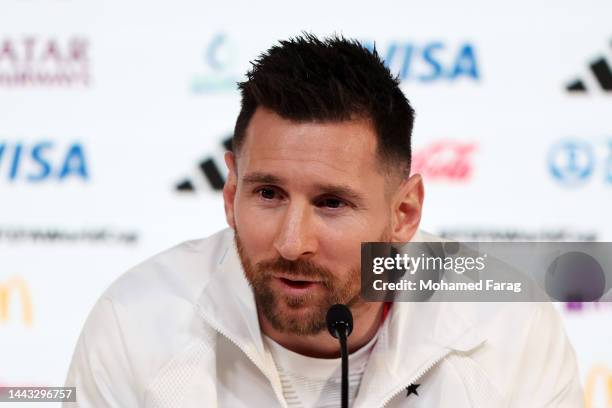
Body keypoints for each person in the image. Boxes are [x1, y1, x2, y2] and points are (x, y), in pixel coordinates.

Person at [64, 34, 583, 407]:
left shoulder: (508, 327)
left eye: (332, 203)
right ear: (229, 192)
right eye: (267, 193)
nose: (292, 243)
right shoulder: (134, 323)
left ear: (404, 213)